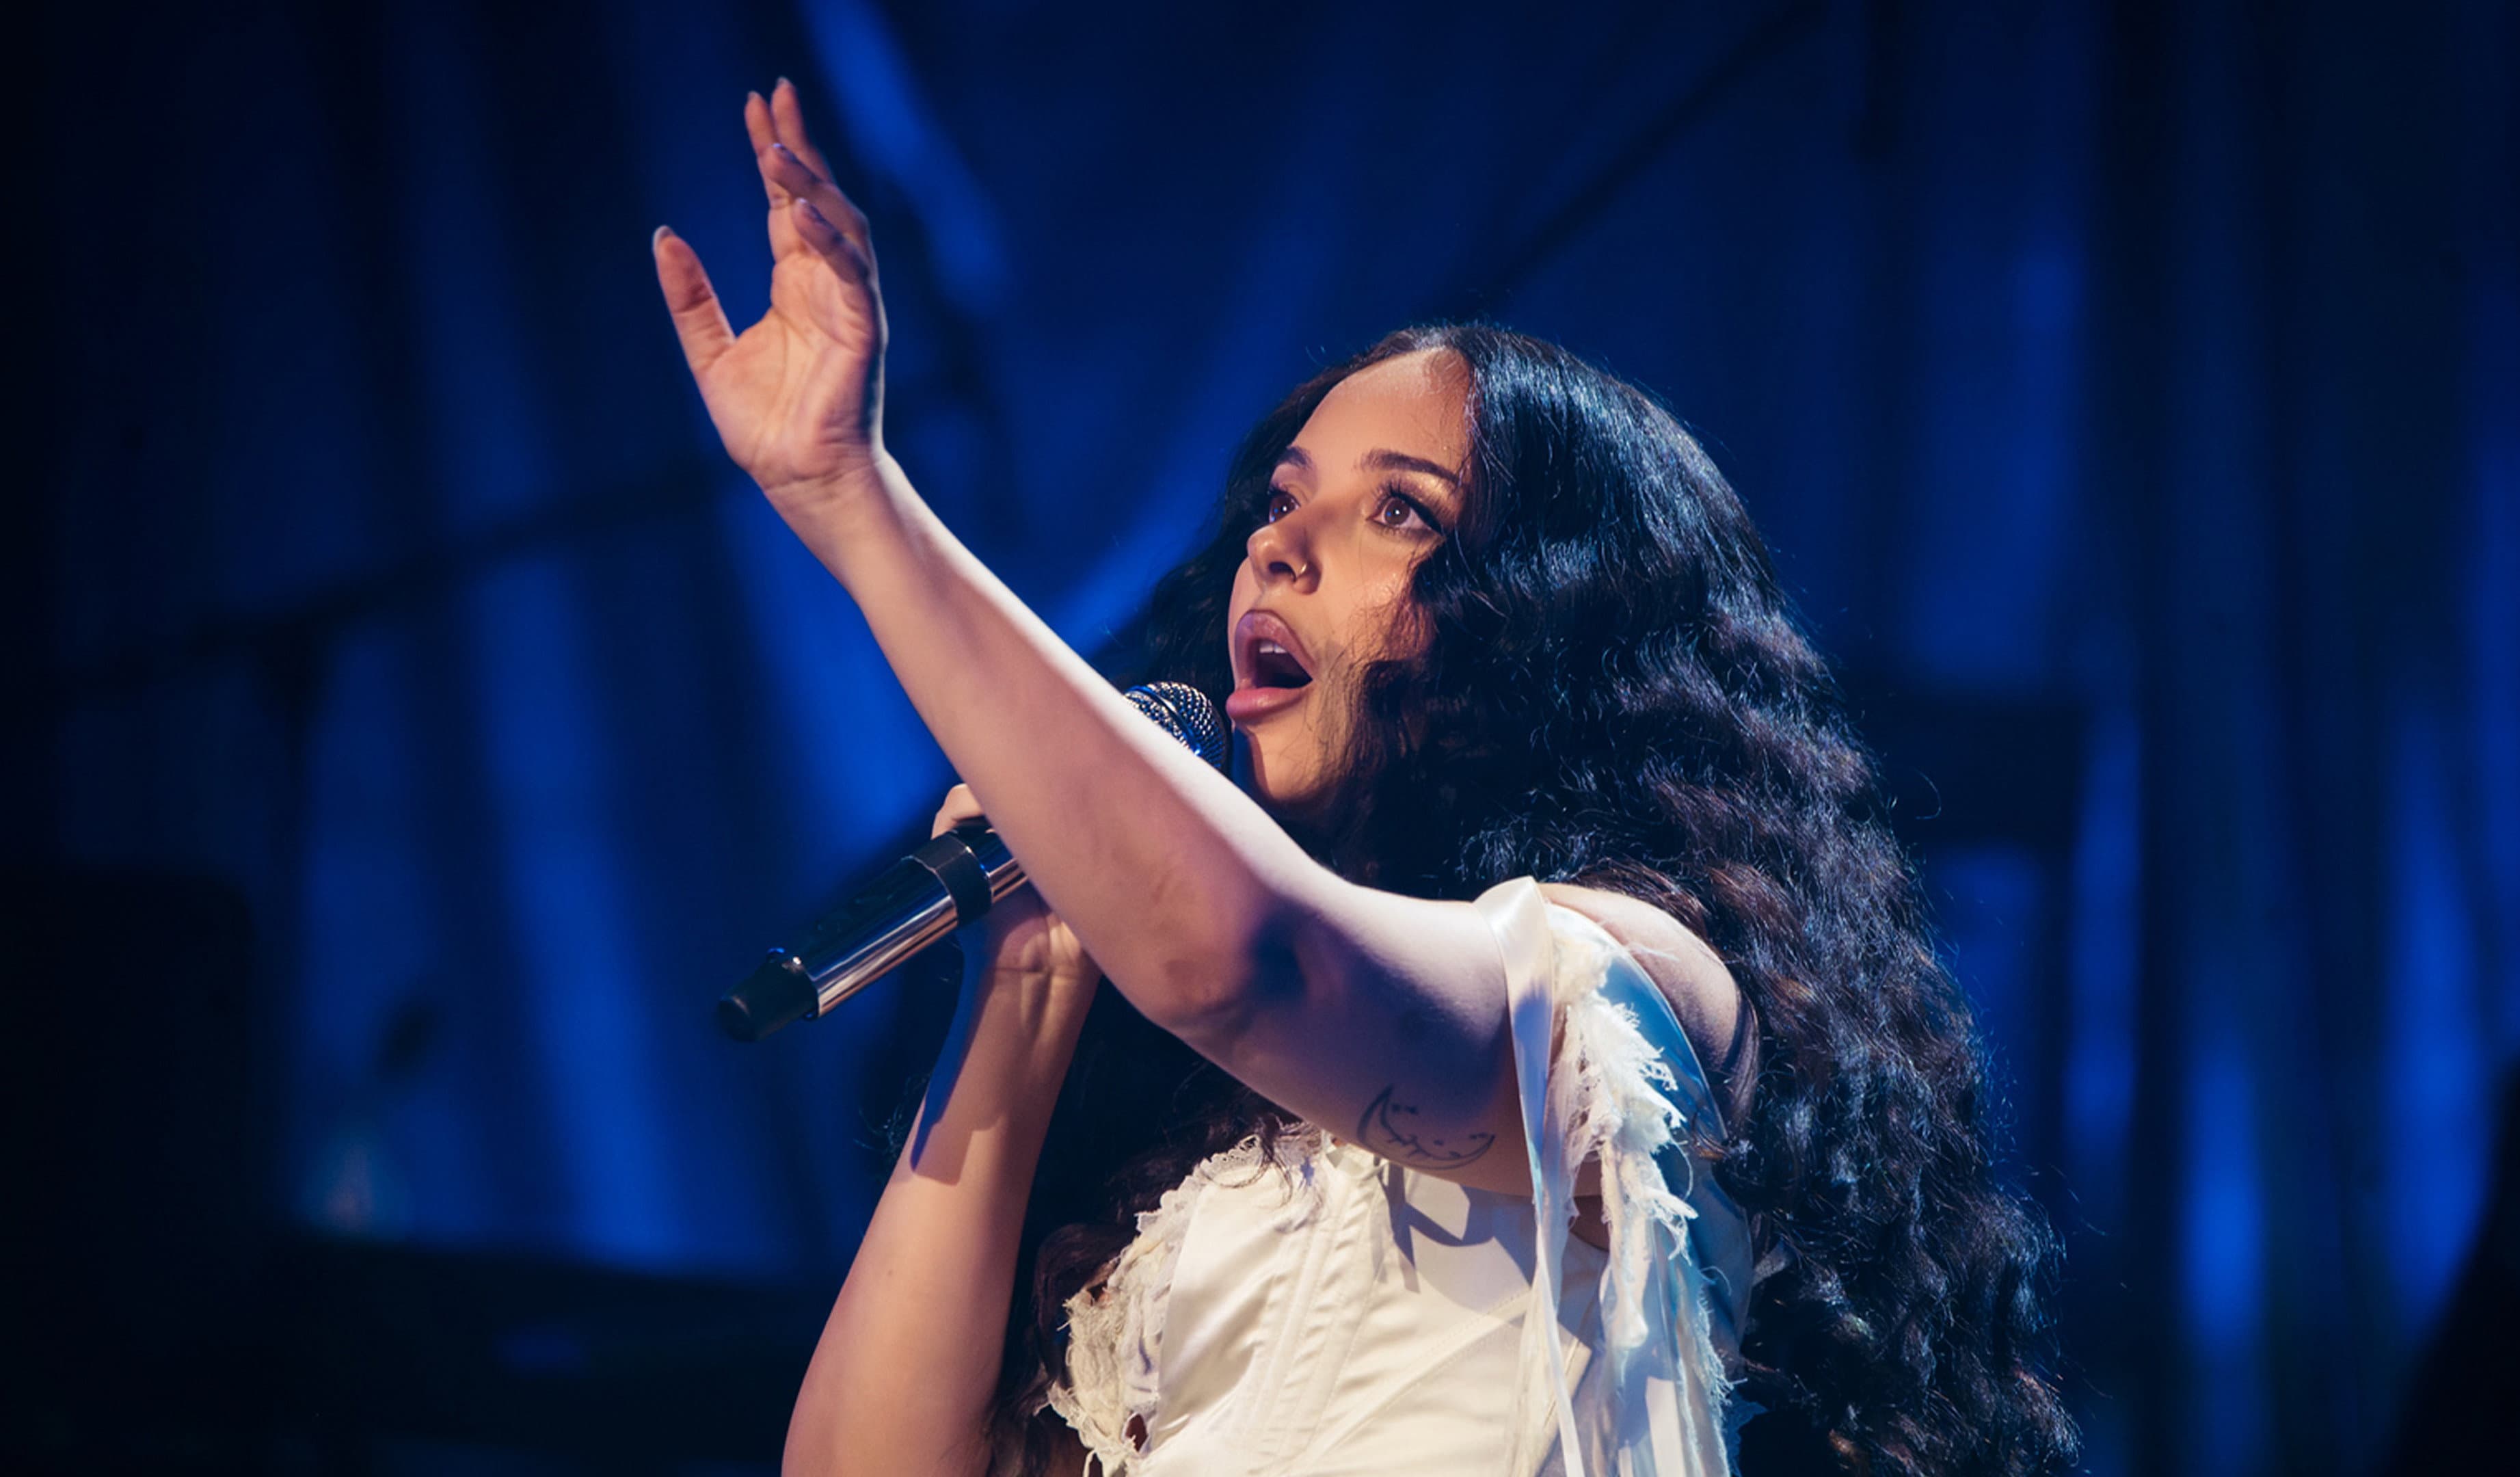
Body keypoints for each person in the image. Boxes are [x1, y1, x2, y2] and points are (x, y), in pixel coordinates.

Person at [654, 79, 2076, 1477]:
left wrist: (857, 501)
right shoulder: (1193, 1147)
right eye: (1281, 501)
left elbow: (1244, 962)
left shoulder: (1634, 982)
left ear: (1548, 627)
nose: (1279, 546)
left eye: (1400, 510)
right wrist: (1029, 973)